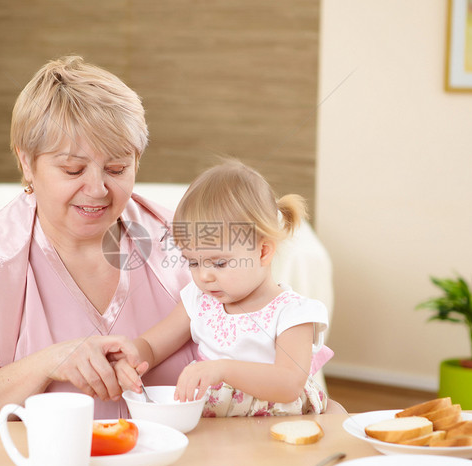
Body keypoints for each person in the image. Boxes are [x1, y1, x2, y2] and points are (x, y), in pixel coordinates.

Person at [0, 55, 195, 422]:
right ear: (27, 162)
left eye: (117, 168)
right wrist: (48, 363)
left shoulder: (186, 242)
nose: (97, 189)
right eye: (72, 169)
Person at [116, 159, 339, 417]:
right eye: (193, 262)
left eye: (219, 263)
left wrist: (222, 369)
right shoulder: (199, 302)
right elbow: (152, 346)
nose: (204, 276)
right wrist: (132, 358)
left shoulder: (293, 313)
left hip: (278, 429)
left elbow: (289, 384)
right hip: (217, 429)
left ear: (263, 251)